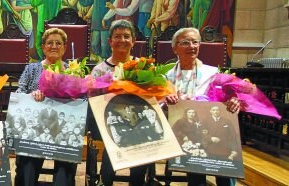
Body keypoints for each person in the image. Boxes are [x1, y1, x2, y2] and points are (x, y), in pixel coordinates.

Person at [165, 27, 241, 186]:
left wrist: (234, 101)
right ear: (174, 48)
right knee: (196, 176)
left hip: (214, 129)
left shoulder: (213, 74)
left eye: (195, 42)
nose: (192, 46)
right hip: (186, 132)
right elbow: (158, 104)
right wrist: (167, 102)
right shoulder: (167, 77)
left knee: (224, 170)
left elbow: (227, 98)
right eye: (185, 43)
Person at [88, 19, 150, 186]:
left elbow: (152, 97)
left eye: (126, 36)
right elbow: (93, 101)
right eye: (117, 36)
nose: (122, 40)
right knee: (110, 161)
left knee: (138, 169)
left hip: (138, 125)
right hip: (110, 126)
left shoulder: (144, 67)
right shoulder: (100, 70)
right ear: (110, 41)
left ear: (133, 40)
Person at [14, 27, 77, 186]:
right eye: (49, 43)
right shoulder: (32, 68)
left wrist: (71, 97)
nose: (54, 46)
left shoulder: (73, 70)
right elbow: (19, 91)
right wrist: (31, 95)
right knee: (28, 162)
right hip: (35, 128)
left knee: (65, 164)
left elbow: (82, 98)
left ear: (64, 47)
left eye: (58, 43)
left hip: (63, 129)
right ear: (43, 47)